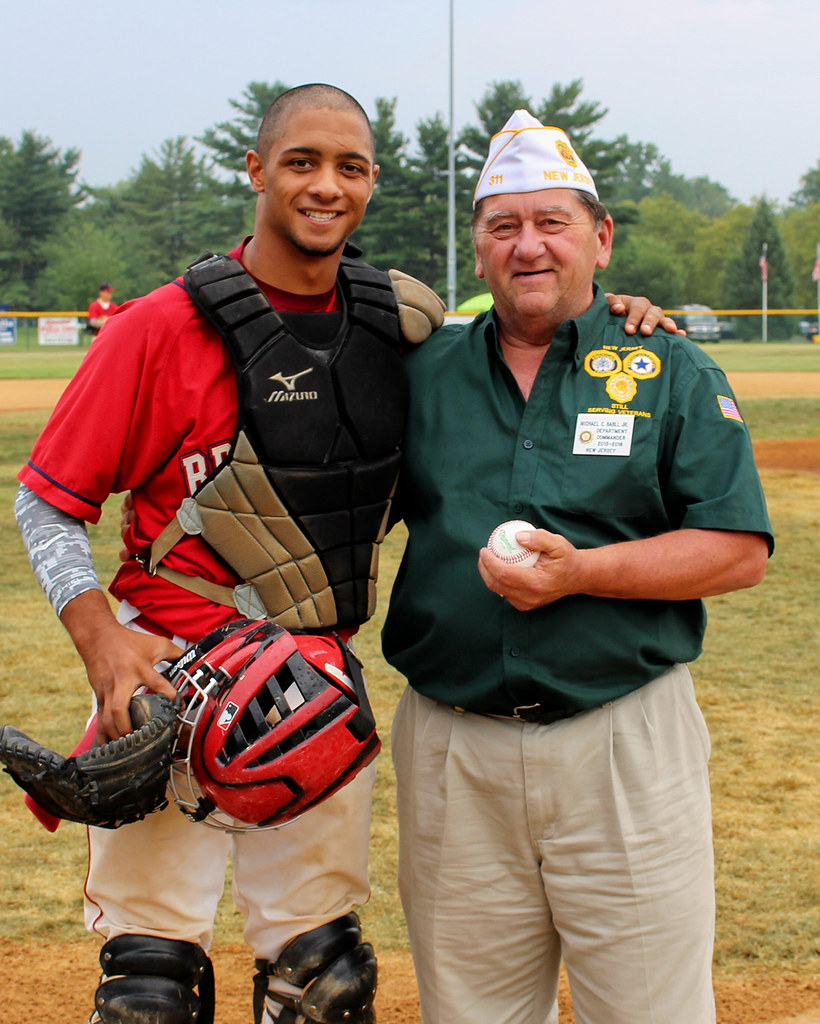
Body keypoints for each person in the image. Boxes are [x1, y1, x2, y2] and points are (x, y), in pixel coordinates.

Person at [13, 82, 676, 1024]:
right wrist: (99, 641)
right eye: (302, 162)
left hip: (313, 680)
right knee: (150, 987)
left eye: (350, 166)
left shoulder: (401, 327)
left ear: (370, 181)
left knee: (323, 976)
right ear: (257, 170)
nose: (327, 185)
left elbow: (524, 337)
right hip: (169, 669)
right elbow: (46, 502)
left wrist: (612, 311)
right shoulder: (161, 326)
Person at [382, 110, 773, 1024]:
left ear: (600, 239)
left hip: (623, 742)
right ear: (478, 248)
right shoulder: (420, 374)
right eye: (504, 225)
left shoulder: (667, 367)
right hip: (454, 750)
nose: (528, 245)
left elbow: (737, 550)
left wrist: (580, 574)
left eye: (552, 222)